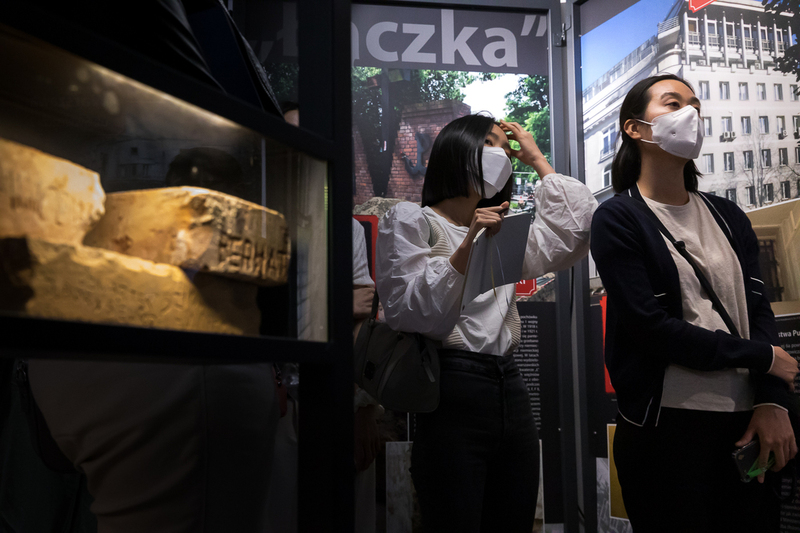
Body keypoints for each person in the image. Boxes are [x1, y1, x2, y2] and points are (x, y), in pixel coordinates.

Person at [590, 74, 798, 532]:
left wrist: (772, 402)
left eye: (695, 105)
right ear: (635, 128)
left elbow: (758, 309)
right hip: (667, 432)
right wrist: (761, 357)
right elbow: (651, 327)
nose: (692, 114)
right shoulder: (617, 217)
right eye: (673, 103)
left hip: (747, 425)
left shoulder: (728, 215)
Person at [375, 114, 597, 532]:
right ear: (459, 151)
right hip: (451, 385)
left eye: (504, 148)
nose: (501, 156)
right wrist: (466, 245)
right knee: (453, 519)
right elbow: (411, 311)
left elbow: (574, 232)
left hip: (509, 385)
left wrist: (535, 158)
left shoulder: (505, 232)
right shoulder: (411, 219)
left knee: (513, 518)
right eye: (490, 144)